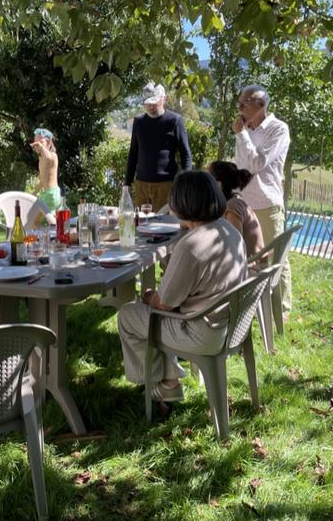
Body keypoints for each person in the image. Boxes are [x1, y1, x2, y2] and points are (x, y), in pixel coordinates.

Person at [117, 171, 248, 402]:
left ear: (181, 202)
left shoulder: (191, 245)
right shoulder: (229, 230)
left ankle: (161, 385)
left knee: (129, 314)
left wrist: (149, 297)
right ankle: (169, 382)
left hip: (202, 332)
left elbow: (164, 305)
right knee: (154, 313)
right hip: (230, 325)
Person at [232, 84, 291, 318]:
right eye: (239, 103)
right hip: (244, 203)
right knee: (246, 259)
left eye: (244, 103)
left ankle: (280, 312)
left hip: (267, 204)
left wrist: (241, 134)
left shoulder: (278, 129)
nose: (239, 108)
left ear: (261, 104)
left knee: (276, 260)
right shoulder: (245, 129)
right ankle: (253, 309)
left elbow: (256, 164)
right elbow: (242, 166)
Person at [125, 82, 193, 210]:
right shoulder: (139, 121)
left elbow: (186, 154)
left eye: (154, 102)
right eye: (147, 103)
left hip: (166, 186)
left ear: (164, 99)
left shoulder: (175, 121)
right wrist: (127, 183)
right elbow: (133, 153)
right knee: (141, 221)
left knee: (164, 222)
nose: (150, 107)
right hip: (141, 185)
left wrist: (185, 184)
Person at [208, 160, 265, 260]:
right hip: (246, 262)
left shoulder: (232, 207)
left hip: (251, 266)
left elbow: (236, 246)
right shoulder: (233, 201)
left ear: (219, 184)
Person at [30, 127, 61, 212]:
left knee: (32, 217)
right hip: (48, 194)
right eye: (35, 143)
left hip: (51, 194)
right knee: (50, 219)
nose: (37, 145)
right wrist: (33, 193)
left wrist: (41, 147)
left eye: (41, 142)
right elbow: (42, 181)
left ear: (49, 143)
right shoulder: (41, 160)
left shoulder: (53, 156)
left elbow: (48, 157)